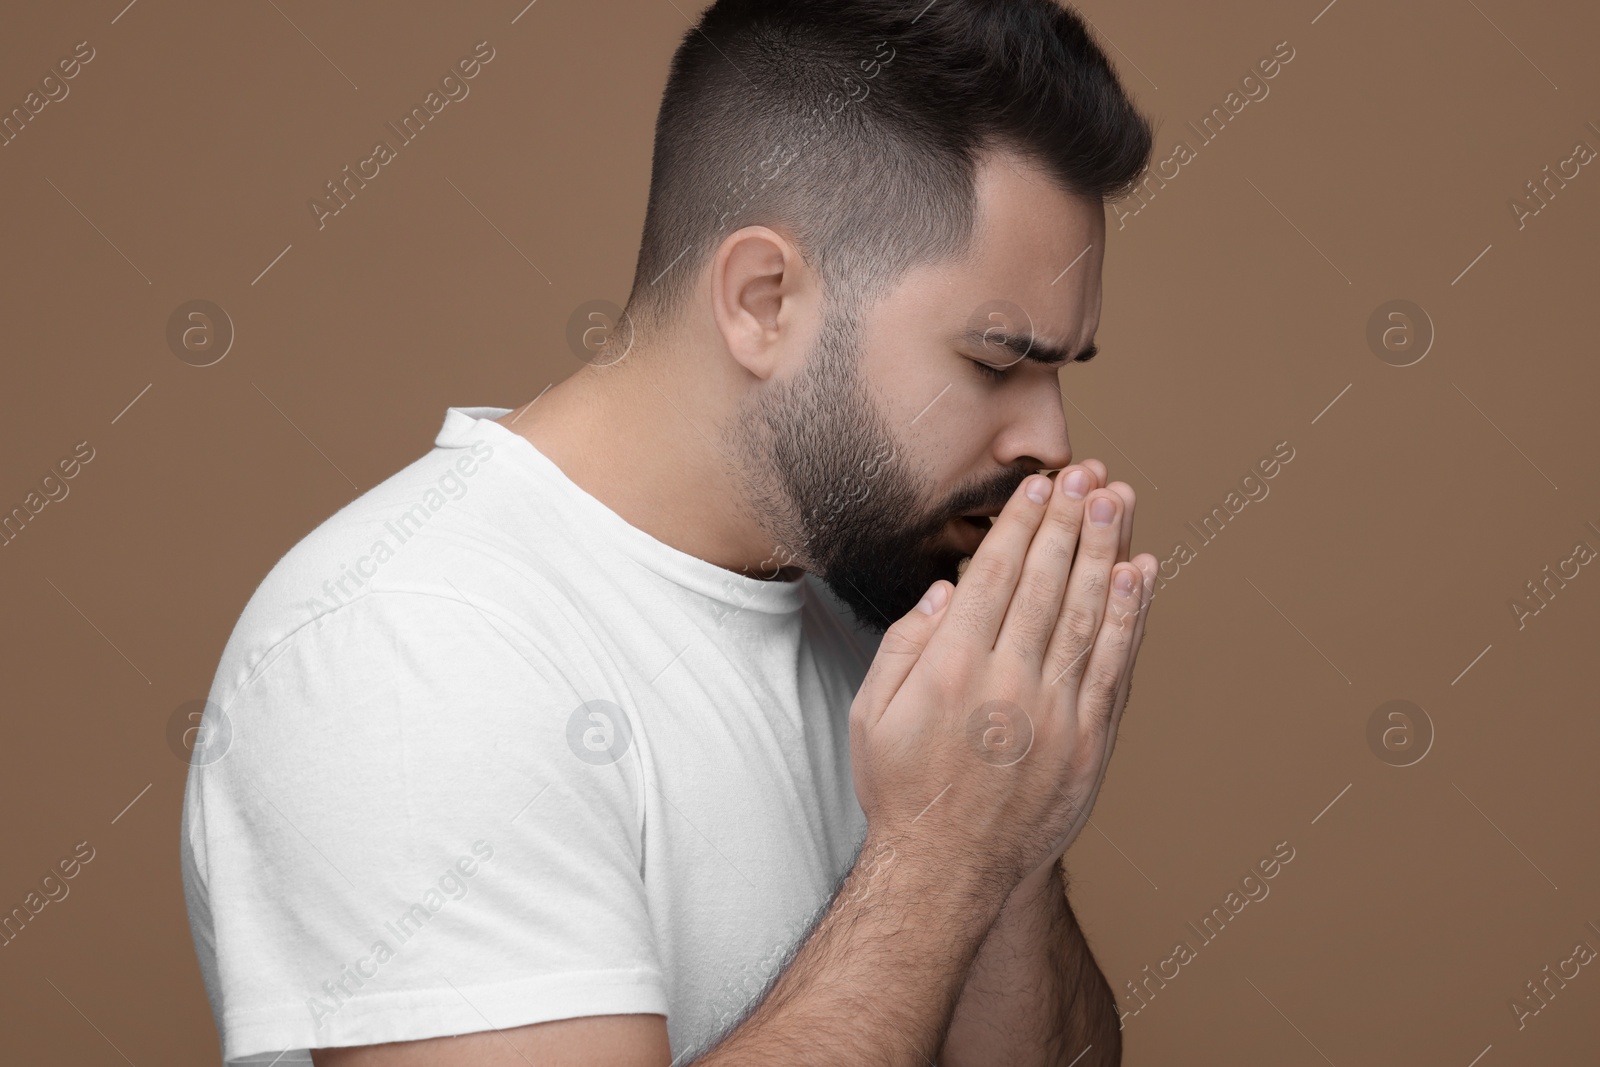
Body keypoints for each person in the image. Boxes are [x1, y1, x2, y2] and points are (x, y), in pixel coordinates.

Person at [179, 0, 1159, 1063]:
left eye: (1061, 368)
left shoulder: (883, 604)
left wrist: (1010, 832)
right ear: (762, 300)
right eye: (994, 361)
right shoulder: (408, 644)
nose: (1049, 439)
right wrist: (944, 853)